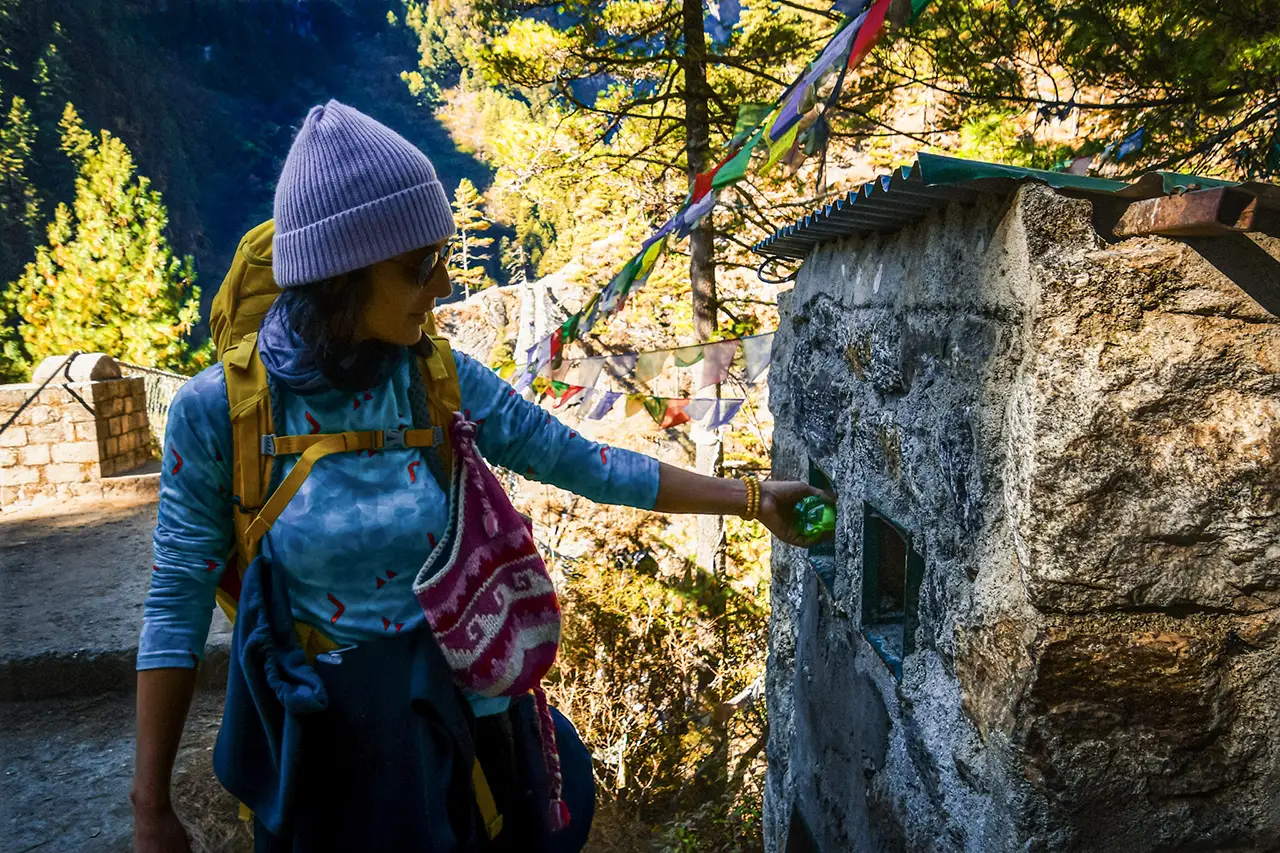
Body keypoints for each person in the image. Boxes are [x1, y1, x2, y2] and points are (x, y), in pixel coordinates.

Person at [131, 100, 825, 853]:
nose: (440, 286)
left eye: (443, 258)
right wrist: (151, 806)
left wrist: (753, 500)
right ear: (340, 276)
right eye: (418, 266)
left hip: (456, 731)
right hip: (323, 750)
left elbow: (583, 463)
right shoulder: (223, 412)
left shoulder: (435, 378)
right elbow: (177, 601)